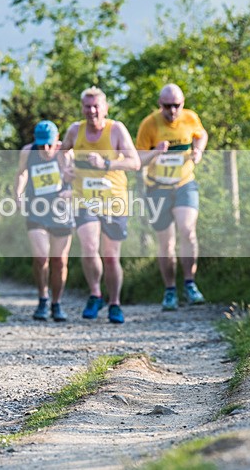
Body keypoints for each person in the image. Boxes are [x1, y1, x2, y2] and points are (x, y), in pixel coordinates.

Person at [61, 87, 141, 324]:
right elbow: (62, 151)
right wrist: (65, 169)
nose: (92, 111)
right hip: (84, 199)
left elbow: (134, 162)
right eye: (87, 106)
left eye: (96, 106)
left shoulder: (116, 130)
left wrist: (106, 163)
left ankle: (114, 303)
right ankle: (95, 294)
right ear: (82, 108)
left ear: (105, 108)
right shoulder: (75, 130)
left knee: (111, 257)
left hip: (114, 200)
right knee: (88, 246)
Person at [136, 83, 208, 311]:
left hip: (184, 183)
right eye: (167, 106)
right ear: (160, 104)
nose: (172, 110)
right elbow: (138, 159)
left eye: (176, 105)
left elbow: (201, 134)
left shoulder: (190, 118)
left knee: (187, 231)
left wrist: (198, 150)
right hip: (158, 187)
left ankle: (190, 284)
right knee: (166, 242)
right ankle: (169, 290)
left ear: (182, 103)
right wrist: (156, 152)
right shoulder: (149, 124)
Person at [14, 120, 74, 322]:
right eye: (41, 145)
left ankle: (57, 303)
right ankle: (42, 299)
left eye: (49, 144)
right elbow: (21, 173)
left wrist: (71, 191)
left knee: (59, 261)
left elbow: (78, 178)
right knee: (41, 257)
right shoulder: (28, 152)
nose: (46, 149)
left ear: (57, 139)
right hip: (36, 209)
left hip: (61, 211)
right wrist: (18, 194)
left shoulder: (66, 153)